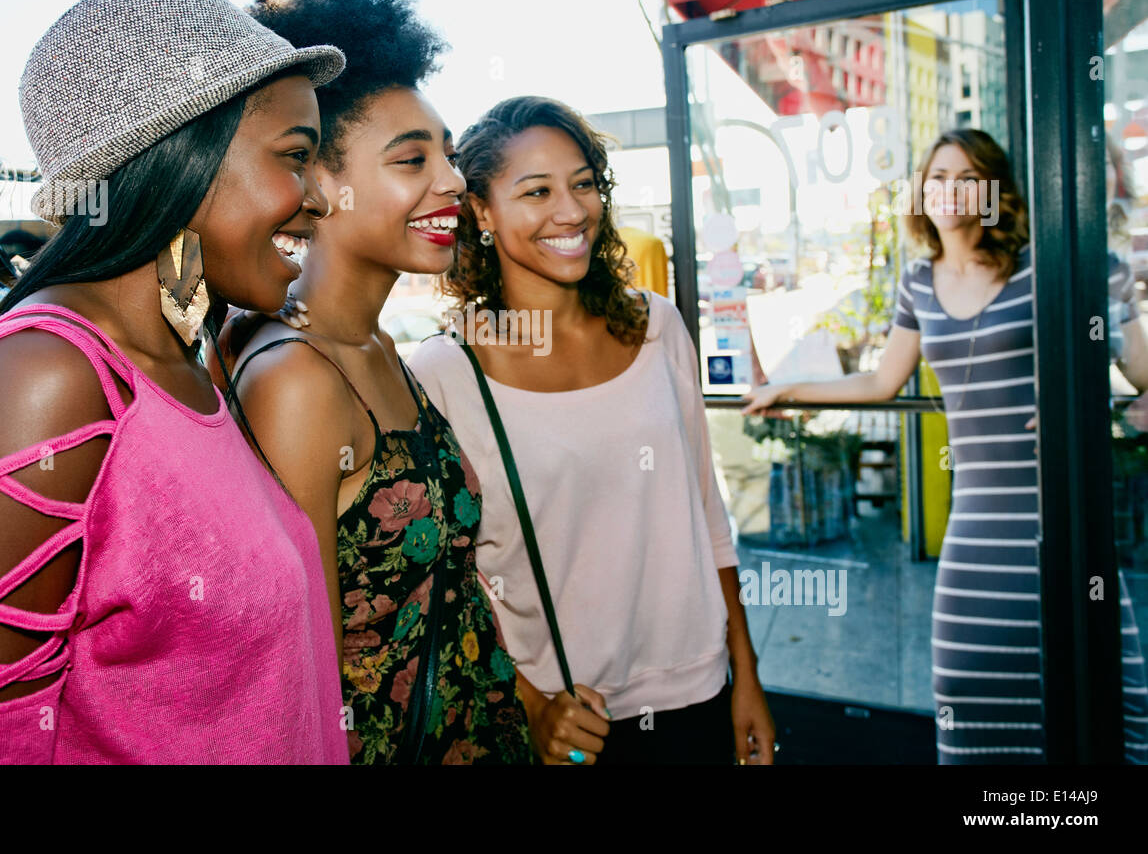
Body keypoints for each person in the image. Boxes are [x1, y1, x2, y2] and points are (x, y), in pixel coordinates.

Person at [0, 0, 350, 764]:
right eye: (295, 157)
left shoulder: (186, 352)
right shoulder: (45, 381)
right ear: (179, 153)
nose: (320, 199)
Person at [743, 128, 1148, 764]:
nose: (951, 191)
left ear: (994, 192)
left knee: (1096, 676)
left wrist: (1075, 389)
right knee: (964, 681)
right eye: (938, 178)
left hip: (1060, 507)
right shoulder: (917, 282)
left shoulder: (1041, 265)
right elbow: (882, 380)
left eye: (968, 179)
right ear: (921, 193)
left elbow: (1128, 353)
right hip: (980, 516)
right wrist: (793, 388)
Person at [217, 0, 532, 764]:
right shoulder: (295, 379)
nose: (453, 182)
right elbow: (301, 671)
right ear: (319, 180)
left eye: (450, 157)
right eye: (411, 160)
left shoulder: (381, 349)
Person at [410, 95, 775, 765]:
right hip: (565, 723)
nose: (572, 211)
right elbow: (443, 582)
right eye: (537, 191)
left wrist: (745, 673)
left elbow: (705, 511)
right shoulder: (447, 370)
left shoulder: (657, 326)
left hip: (696, 693)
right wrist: (528, 701)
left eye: (583, 183)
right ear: (482, 213)